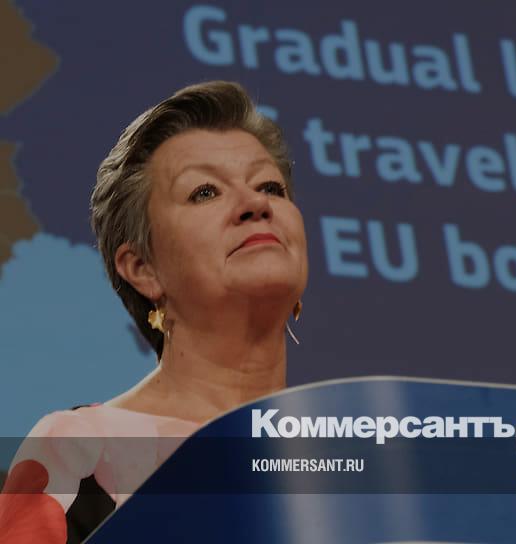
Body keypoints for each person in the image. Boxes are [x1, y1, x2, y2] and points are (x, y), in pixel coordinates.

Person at [0, 81, 309, 543]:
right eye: (205, 192)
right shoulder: (81, 452)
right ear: (143, 269)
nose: (256, 204)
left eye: (270, 187)